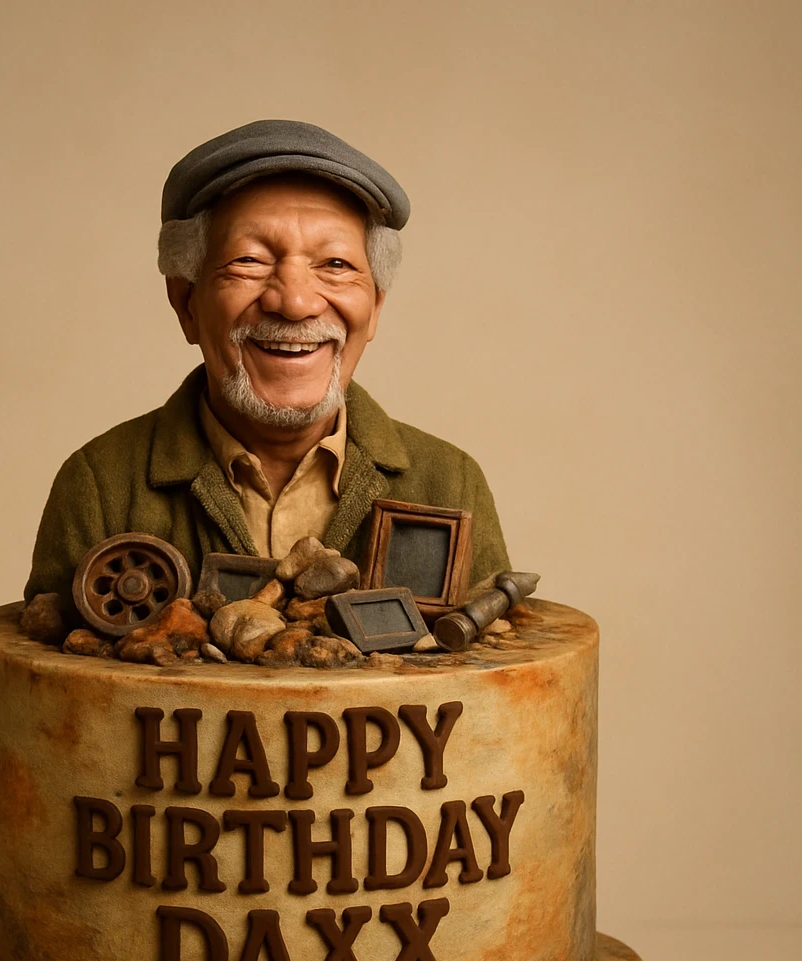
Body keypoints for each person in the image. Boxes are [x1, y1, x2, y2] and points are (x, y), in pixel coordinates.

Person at [25, 120, 508, 605]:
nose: (295, 303)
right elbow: (40, 651)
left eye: (335, 265)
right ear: (186, 301)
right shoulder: (100, 484)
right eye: (249, 261)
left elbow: (503, 650)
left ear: (376, 307)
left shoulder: (449, 481)